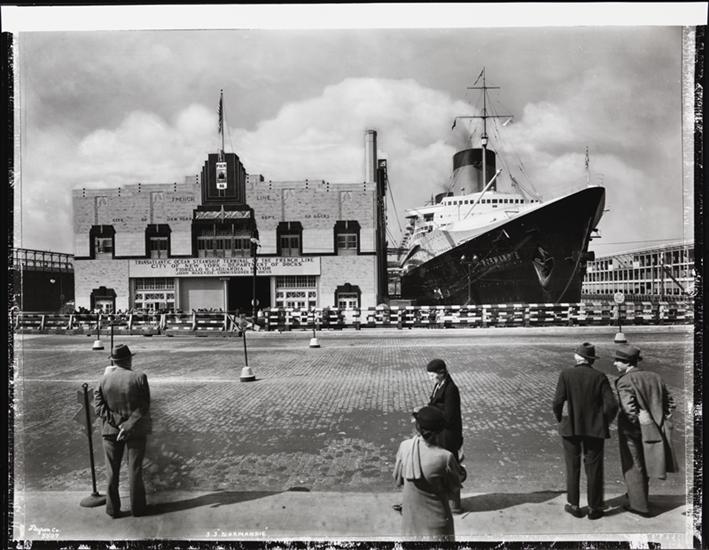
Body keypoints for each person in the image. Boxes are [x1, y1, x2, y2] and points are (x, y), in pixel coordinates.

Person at [552, 342, 618, 520]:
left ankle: (574, 505)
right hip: (594, 428)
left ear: (577, 357)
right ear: (591, 360)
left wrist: (560, 419)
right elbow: (612, 405)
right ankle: (594, 508)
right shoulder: (600, 376)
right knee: (594, 468)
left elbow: (557, 402)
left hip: (570, 427)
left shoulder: (566, 374)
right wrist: (603, 421)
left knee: (572, 466)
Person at [614, 343, 677, 517]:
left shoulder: (625, 381)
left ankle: (639, 506)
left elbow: (629, 410)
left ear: (627, 362)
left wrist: (642, 423)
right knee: (646, 462)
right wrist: (660, 420)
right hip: (655, 430)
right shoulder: (655, 377)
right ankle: (638, 495)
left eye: (618, 360)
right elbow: (671, 403)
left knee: (634, 466)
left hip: (632, 431)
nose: (615, 363)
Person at [95, 344, 152, 518]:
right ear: (129, 359)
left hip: (110, 430)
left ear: (113, 361)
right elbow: (144, 406)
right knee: (135, 470)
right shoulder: (140, 377)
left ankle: (113, 509)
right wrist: (128, 425)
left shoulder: (103, 380)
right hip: (136, 429)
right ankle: (138, 508)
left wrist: (119, 423)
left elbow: (99, 408)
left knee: (112, 472)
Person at [393, 406, 465, 540]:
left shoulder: (405, 447)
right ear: (440, 432)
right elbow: (453, 488)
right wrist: (459, 467)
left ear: (418, 427)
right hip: (437, 527)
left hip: (410, 523)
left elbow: (398, 479)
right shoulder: (445, 457)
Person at [426, 358, 464, 513]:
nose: (430, 378)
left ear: (441, 373)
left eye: (432, 375)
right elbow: (434, 403)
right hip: (441, 432)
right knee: (443, 467)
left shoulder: (451, 390)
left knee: (450, 468)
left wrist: (430, 415)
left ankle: (454, 504)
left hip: (449, 435)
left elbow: (449, 417)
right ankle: (445, 500)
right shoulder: (439, 384)